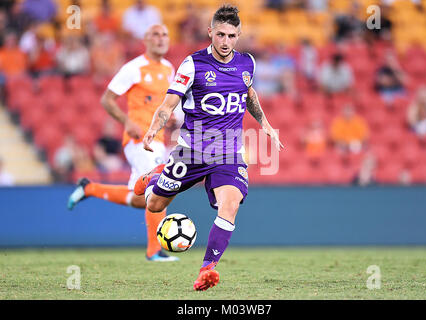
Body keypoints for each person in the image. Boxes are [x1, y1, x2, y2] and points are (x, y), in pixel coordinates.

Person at [134, 5, 283, 291]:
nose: (225, 41)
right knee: (154, 204)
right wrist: (155, 127)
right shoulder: (193, 65)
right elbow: (168, 103)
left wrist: (263, 121)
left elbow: (248, 94)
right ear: (210, 33)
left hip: (229, 152)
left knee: (230, 205)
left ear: (238, 35)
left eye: (231, 36)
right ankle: (157, 175)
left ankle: (207, 269)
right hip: (191, 152)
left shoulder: (247, 63)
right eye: (220, 35)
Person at [67, 25, 181, 262]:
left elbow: (166, 103)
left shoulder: (169, 69)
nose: (161, 39)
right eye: (155, 35)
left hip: (158, 139)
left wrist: (173, 119)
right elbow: (107, 100)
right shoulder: (133, 68)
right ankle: (154, 251)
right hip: (139, 139)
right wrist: (126, 121)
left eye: (164, 35)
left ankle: (90, 188)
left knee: (141, 199)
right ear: (145, 40)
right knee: (159, 186)